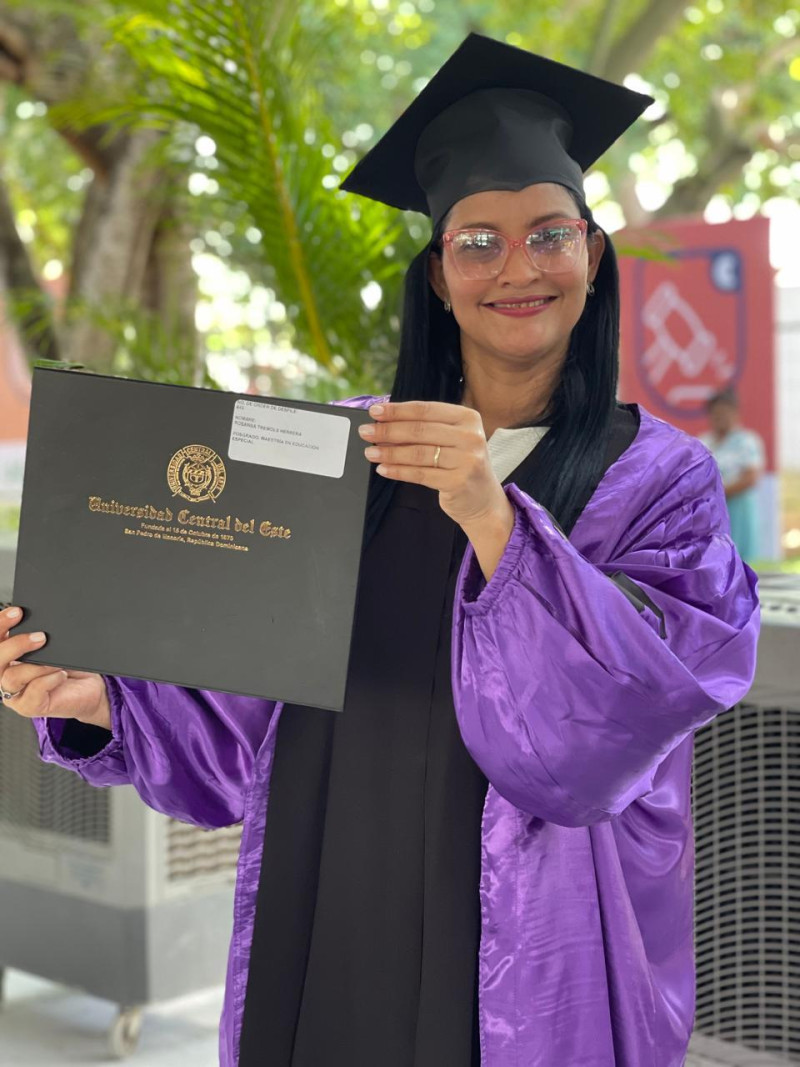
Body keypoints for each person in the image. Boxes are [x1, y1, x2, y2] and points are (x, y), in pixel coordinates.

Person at [0, 33, 759, 1067]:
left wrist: (492, 513)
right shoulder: (341, 449)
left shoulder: (656, 478)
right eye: (476, 242)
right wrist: (102, 699)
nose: (517, 268)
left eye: (547, 233)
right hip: (330, 885)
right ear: (438, 278)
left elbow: (633, 709)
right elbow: (246, 694)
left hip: (524, 935)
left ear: (590, 254)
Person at [699, 388, 765, 563]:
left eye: (725, 413)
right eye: (716, 414)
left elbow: (751, 477)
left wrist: (721, 492)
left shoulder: (747, 441)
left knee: (741, 558)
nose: (721, 418)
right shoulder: (703, 442)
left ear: (735, 413)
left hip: (738, 509)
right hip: (712, 511)